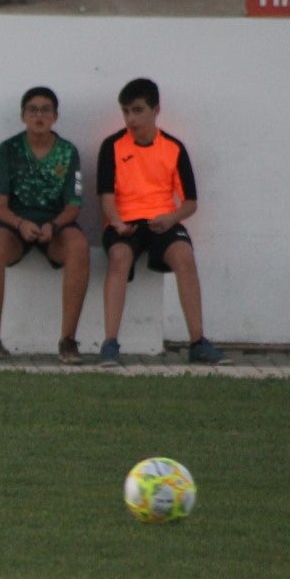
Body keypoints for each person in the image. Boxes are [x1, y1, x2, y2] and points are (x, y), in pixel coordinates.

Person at [96, 77, 229, 367]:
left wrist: (171, 218)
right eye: (126, 111)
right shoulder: (112, 146)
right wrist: (117, 222)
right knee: (119, 257)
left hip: (163, 221)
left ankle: (198, 342)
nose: (131, 119)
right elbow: (105, 198)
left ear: (156, 110)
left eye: (137, 110)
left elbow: (190, 202)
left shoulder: (173, 147)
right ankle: (110, 343)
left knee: (184, 256)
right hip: (124, 223)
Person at [0, 87, 88, 365]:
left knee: (79, 246)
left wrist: (53, 225)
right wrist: (20, 223)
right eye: (33, 110)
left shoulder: (67, 152)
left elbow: (73, 206)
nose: (39, 116)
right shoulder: (8, 150)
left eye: (45, 110)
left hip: (55, 226)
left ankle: (68, 339)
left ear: (55, 116)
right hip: (15, 226)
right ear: (23, 116)